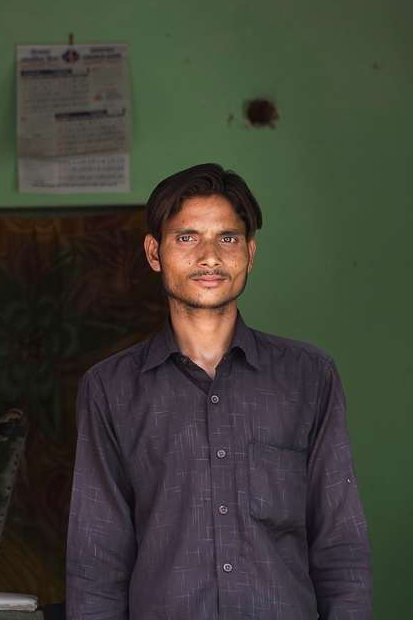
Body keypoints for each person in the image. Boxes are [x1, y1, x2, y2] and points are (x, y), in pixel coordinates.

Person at [66, 164, 372, 619]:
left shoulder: (309, 377)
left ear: (249, 252)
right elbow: (96, 563)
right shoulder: (110, 389)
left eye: (227, 238)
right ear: (154, 252)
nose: (209, 257)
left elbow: (341, 547)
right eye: (187, 237)